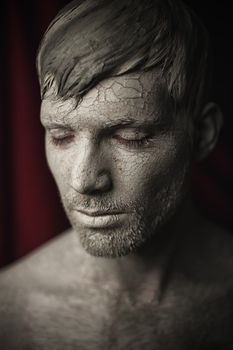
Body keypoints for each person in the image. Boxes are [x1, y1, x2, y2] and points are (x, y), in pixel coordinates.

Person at [0, 0, 233, 349]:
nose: (83, 180)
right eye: (61, 136)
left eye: (131, 137)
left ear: (202, 135)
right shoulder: (10, 306)